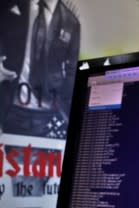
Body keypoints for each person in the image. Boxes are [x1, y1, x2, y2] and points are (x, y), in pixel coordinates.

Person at [0, 0, 80, 138]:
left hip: (47, 115)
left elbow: (72, 71)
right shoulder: (8, 6)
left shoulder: (71, 23)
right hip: (9, 105)